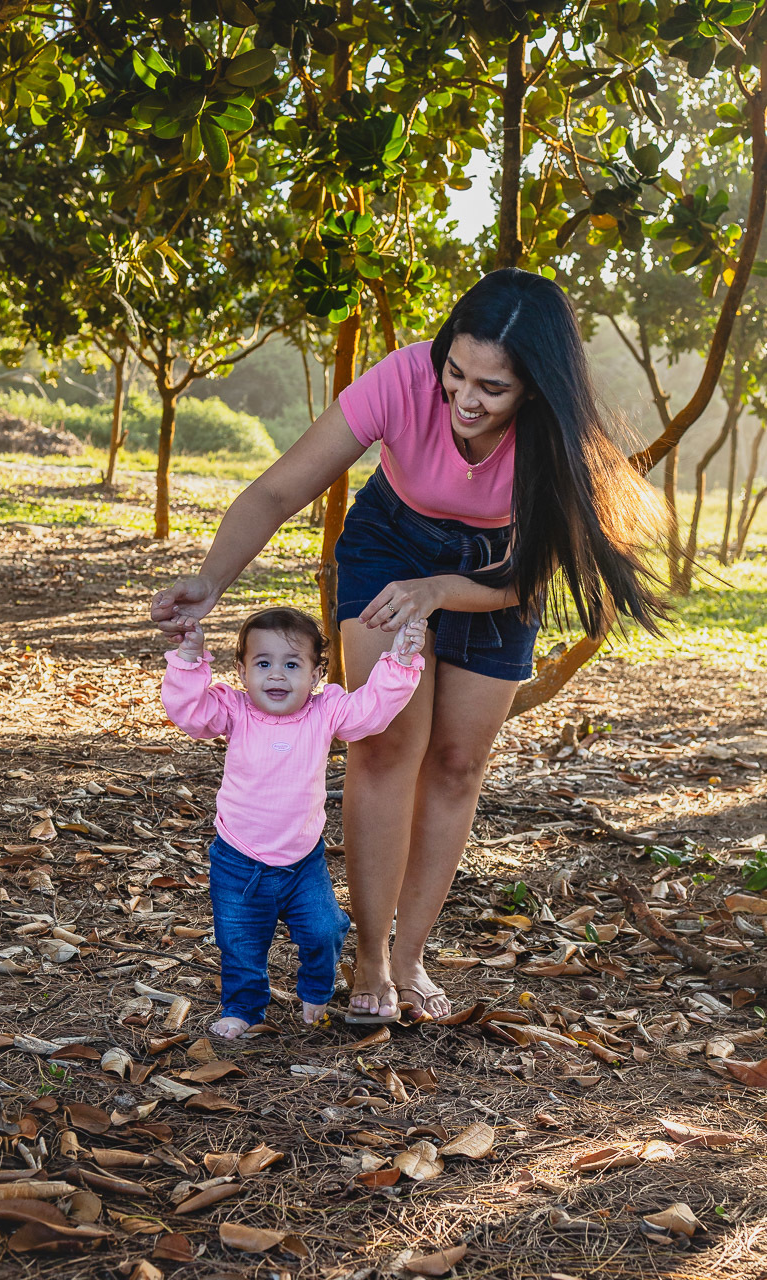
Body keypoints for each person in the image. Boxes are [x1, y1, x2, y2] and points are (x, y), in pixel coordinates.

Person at [151, 268, 665, 1025]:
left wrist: (439, 591)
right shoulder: (401, 379)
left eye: (492, 386)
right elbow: (275, 491)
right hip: (391, 540)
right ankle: (366, 957)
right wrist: (210, 581)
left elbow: (527, 581)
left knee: (457, 762)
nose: (463, 397)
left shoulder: (557, 443)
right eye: (455, 372)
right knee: (387, 742)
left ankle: (406, 956)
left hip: (497, 572)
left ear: (534, 386)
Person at [162, 605, 427, 1036]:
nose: (277, 676)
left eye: (292, 664)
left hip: (303, 862)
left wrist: (399, 661)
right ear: (243, 671)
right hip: (238, 859)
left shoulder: (325, 713)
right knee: (240, 942)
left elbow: (372, 711)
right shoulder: (236, 712)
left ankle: (316, 990)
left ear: (317, 673)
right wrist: (190, 659)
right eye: (263, 664)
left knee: (324, 929)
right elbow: (189, 712)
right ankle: (244, 1009)